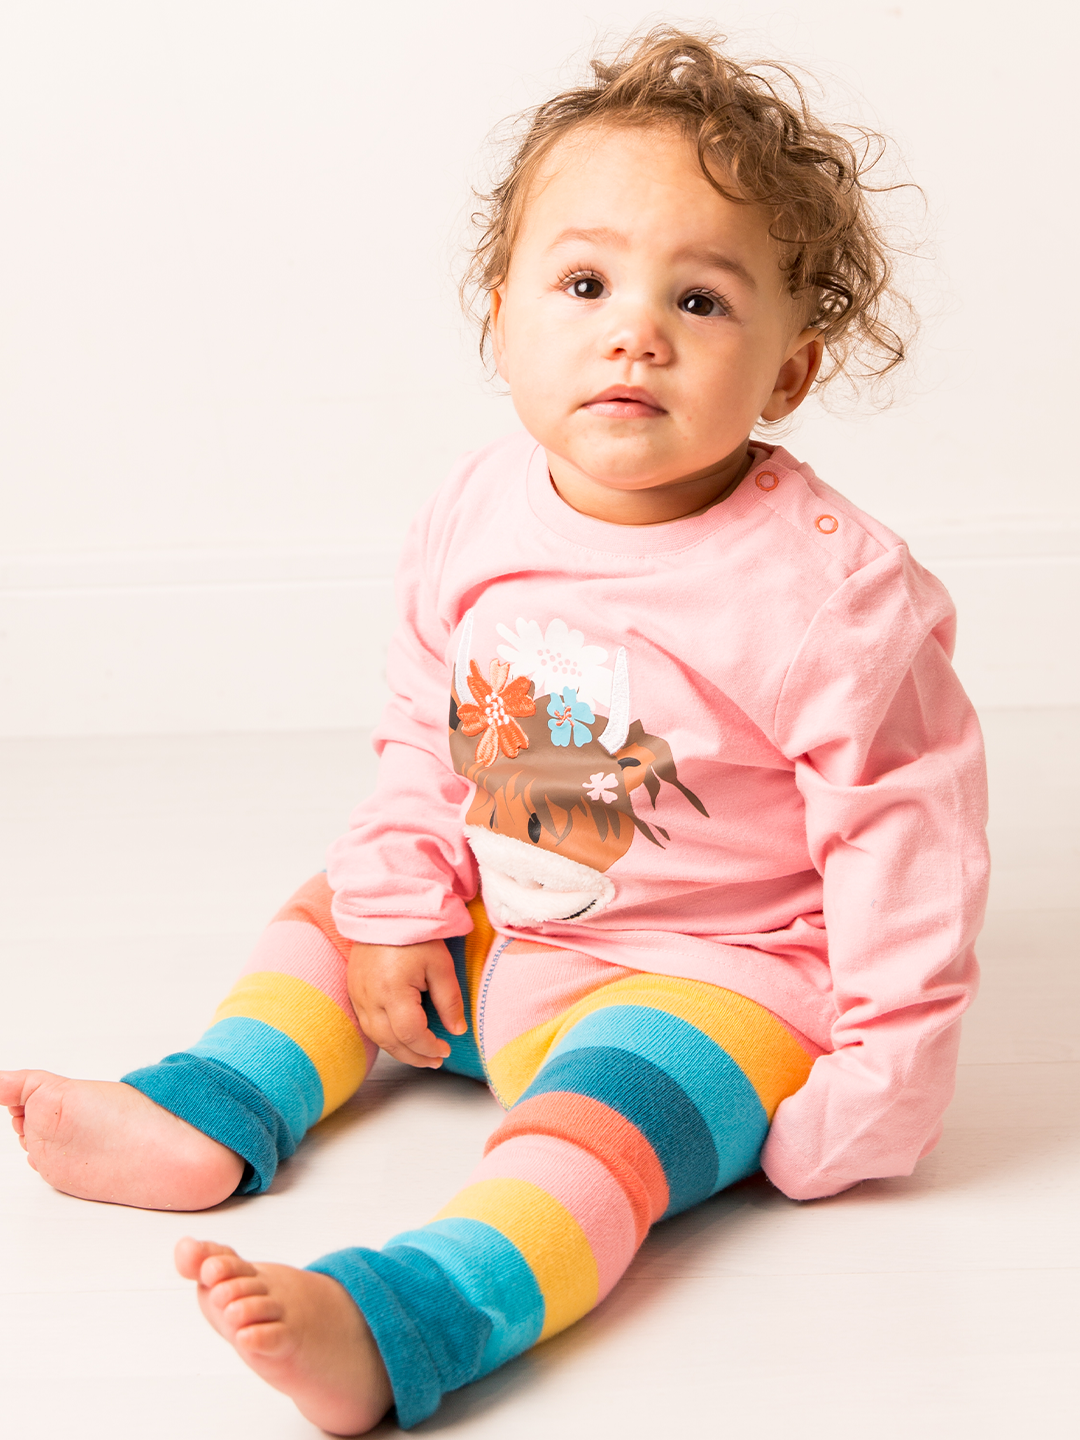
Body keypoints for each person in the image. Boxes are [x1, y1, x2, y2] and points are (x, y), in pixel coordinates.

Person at [0, 27, 989, 1435]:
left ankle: (413, 1312)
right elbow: (426, 722)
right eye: (585, 284)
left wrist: (877, 1093)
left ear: (789, 370)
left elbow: (910, 853)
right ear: (502, 317)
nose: (636, 332)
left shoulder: (831, 596)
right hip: (505, 926)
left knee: (591, 1140)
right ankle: (215, 1101)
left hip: (712, 982)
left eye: (701, 299)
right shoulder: (477, 509)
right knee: (335, 906)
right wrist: (402, 907)